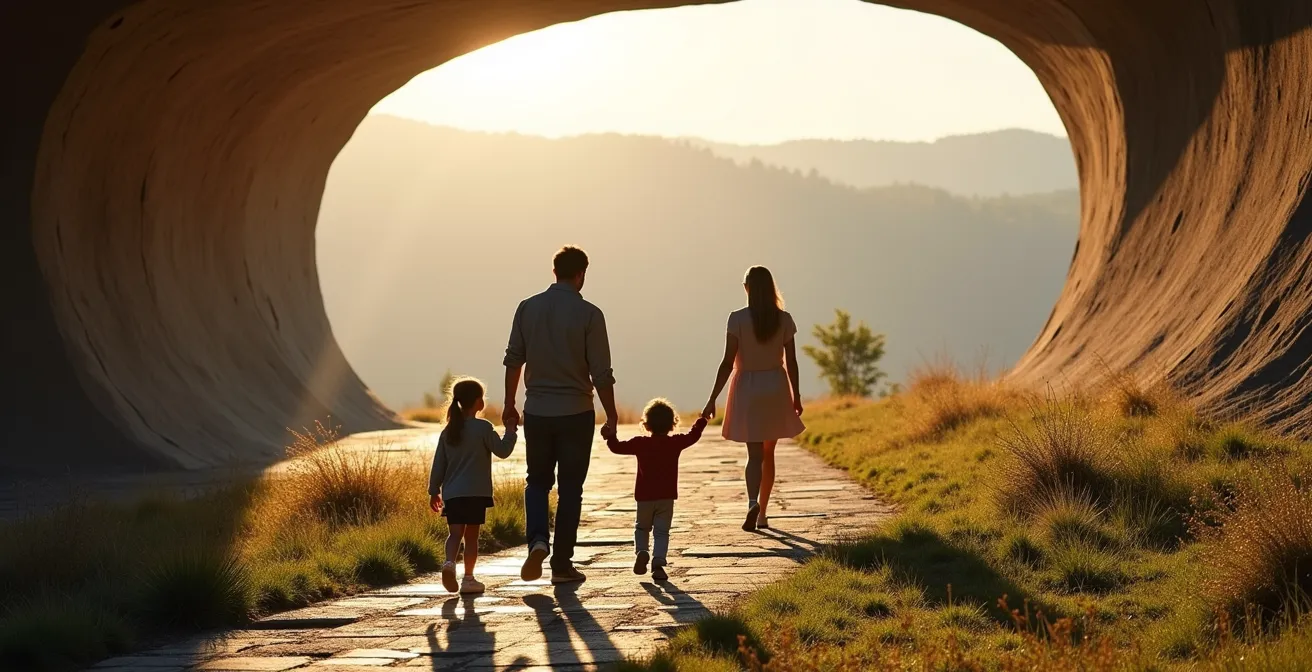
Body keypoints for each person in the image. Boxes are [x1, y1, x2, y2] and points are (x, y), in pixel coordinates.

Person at [503, 245, 619, 584]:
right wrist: (611, 415)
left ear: (554, 271)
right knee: (571, 488)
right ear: (581, 274)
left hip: (537, 411)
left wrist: (510, 403)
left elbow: (513, 360)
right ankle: (562, 565)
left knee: (537, 482)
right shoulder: (590, 315)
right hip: (576, 412)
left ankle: (537, 540)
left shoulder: (527, 308)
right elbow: (602, 374)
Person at [702, 266, 805, 532]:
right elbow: (792, 362)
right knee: (769, 453)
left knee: (754, 454)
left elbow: (727, 362)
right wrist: (797, 395)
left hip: (747, 387)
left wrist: (712, 397)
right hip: (775, 386)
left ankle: (751, 501)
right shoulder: (784, 319)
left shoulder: (736, 319)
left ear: (747, 288)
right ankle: (763, 513)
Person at [601, 399, 708, 582]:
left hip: (644, 497)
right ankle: (658, 561)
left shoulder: (639, 443)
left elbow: (616, 447)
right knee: (661, 532)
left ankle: (642, 551)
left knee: (642, 527)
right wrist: (702, 419)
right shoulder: (675, 443)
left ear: (646, 424)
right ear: (672, 424)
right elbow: (693, 436)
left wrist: (610, 435)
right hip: (666, 497)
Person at [427, 378, 518, 594]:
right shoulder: (483, 428)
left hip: (453, 494)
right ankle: (468, 579)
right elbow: (503, 451)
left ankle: (449, 563)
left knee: (455, 534)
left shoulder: (448, 431)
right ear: (479, 402)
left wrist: (433, 491)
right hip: (476, 492)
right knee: (471, 537)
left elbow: (439, 464)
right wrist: (511, 431)